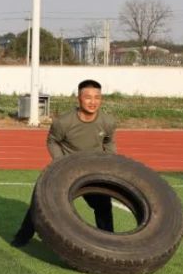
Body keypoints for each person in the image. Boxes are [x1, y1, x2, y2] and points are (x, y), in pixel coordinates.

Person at [12, 79, 117, 247]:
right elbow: (52, 141)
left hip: (92, 170)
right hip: (66, 168)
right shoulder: (64, 122)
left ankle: (109, 243)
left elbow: (109, 141)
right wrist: (60, 163)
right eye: (88, 97)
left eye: (97, 97)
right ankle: (22, 237)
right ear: (79, 98)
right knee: (39, 204)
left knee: (103, 206)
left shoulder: (108, 121)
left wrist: (108, 160)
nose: (93, 102)